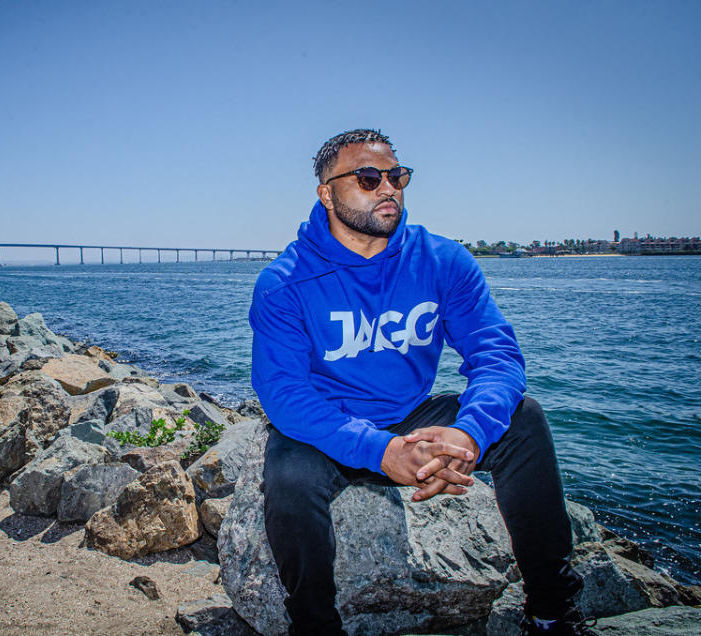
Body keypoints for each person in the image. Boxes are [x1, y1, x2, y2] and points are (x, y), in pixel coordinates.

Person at [249, 129, 590, 635]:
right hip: (329, 427)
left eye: (397, 175)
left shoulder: (443, 260)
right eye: (368, 178)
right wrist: (382, 452)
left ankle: (551, 612)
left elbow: (496, 355)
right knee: (290, 475)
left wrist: (469, 432)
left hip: (411, 418)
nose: (388, 188)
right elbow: (284, 394)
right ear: (327, 193)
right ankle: (316, 626)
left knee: (524, 420)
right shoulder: (286, 282)